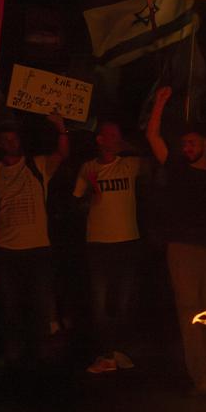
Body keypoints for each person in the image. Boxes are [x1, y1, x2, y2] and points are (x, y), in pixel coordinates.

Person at [146, 86, 206, 395]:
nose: (187, 148)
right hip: (182, 247)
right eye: (184, 143)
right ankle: (199, 376)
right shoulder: (176, 169)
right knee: (189, 310)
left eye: (192, 143)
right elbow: (153, 137)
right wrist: (160, 103)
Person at [0, 116, 70, 366]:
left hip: (37, 247)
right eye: (6, 140)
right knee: (9, 303)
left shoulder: (37, 165)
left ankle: (42, 350)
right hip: (6, 249)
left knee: (40, 301)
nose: (11, 143)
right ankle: (14, 350)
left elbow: (62, 154)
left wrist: (60, 128)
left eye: (14, 139)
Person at [73, 120, 147, 374]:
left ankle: (118, 351)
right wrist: (91, 196)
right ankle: (106, 354)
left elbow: (153, 160)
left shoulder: (129, 164)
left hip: (127, 241)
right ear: (100, 140)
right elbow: (77, 204)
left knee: (124, 302)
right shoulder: (88, 168)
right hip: (98, 244)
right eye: (111, 135)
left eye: (118, 135)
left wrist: (127, 145)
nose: (116, 139)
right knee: (100, 303)